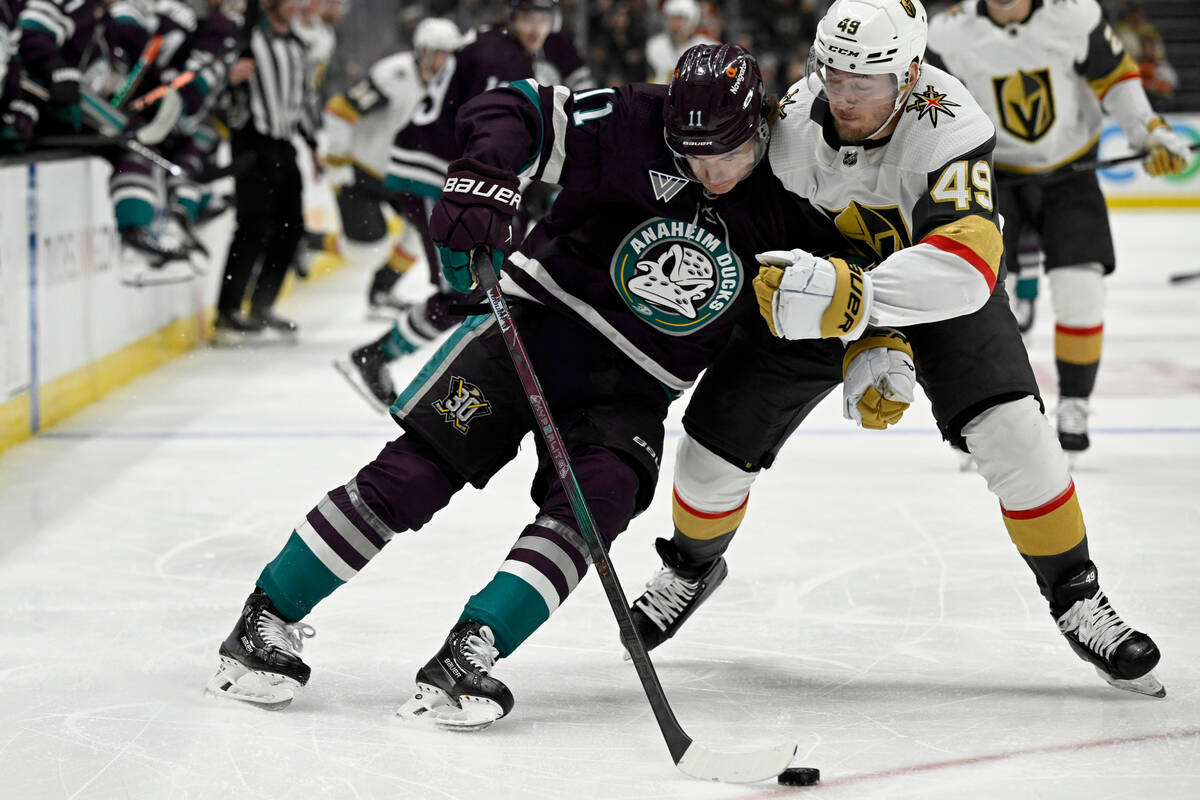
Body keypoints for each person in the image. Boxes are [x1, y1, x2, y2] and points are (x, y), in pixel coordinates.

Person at [204, 44, 844, 724]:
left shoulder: (798, 187)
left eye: (726, 155)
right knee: (413, 475)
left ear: (762, 127)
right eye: (691, 156)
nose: (709, 173)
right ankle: (262, 619)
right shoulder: (636, 118)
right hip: (536, 327)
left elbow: (852, 282)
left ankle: (471, 651)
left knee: (601, 500)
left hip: (633, 386)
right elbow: (511, 105)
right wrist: (482, 178)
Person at [626, 0, 1164, 699]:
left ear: (910, 73)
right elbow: (764, 231)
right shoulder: (790, 126)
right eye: (835, 74)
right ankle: (692, 567)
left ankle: (1075, 594)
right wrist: (852, 327)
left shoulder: (953, 124)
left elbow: (967, 267)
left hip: (933, 295)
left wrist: (869, 311)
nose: (845, 96)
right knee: (706, 449)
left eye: (866, 81)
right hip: (824, 290)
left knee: (1017, 436)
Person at [925, 0, 1192, 458]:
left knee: (1080, 289)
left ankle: (1074, 405)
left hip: (1071, 173)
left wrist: (1148, 130)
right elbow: (931, 112)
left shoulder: (1076, 14)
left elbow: (1117, 78)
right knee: (975, 293)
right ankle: (980, 409)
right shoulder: (947, 33)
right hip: (995, 177)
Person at [338, 0, 594, 411]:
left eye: (543, 18)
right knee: (468, 288)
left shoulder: (499, 46)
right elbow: (492, 131)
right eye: (528, 17)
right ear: (512, 17)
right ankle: (381, 356)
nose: (536, 26)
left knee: (485, 283)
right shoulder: (501, 54)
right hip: (434, 172)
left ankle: (418, 362)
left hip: (447, 172)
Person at [309, 17, 460, 327]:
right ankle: (308, 241)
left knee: (421, 235)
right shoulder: (395, 74)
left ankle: (381, 294)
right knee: (365, 248)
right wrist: (336, 162)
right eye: (435, 52)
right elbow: (339, 110)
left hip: (401, 172)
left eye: (447, 53)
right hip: (361, 169)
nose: (441, 61)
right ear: (421, 50)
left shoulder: (452, 82)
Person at [213, 0, 316, 344]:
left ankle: (262, 305)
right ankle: (228, 312)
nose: (298, 4)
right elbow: (213, 93)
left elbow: (302, 102)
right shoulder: (247, 41)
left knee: (291, 229)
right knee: (251, 230)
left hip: (285, 148)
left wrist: (313, 146)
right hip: (253, 147)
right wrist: (228, 79)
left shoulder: (298, 45)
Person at [645, 0, 716, 85]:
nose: (675, 25)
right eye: (672, 19)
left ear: (693, 20)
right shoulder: (655, 45)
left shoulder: (709, 48)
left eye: (681, 19)